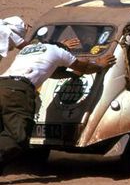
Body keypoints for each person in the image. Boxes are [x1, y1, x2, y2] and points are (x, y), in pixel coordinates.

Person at [0, 41, 116, 173]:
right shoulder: (59, 52)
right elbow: (85, 67)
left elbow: (53, 72)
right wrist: (100, 64)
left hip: (2, 83)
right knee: (18, 137)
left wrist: (72, 75)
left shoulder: (29, 49)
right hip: (17, 91)